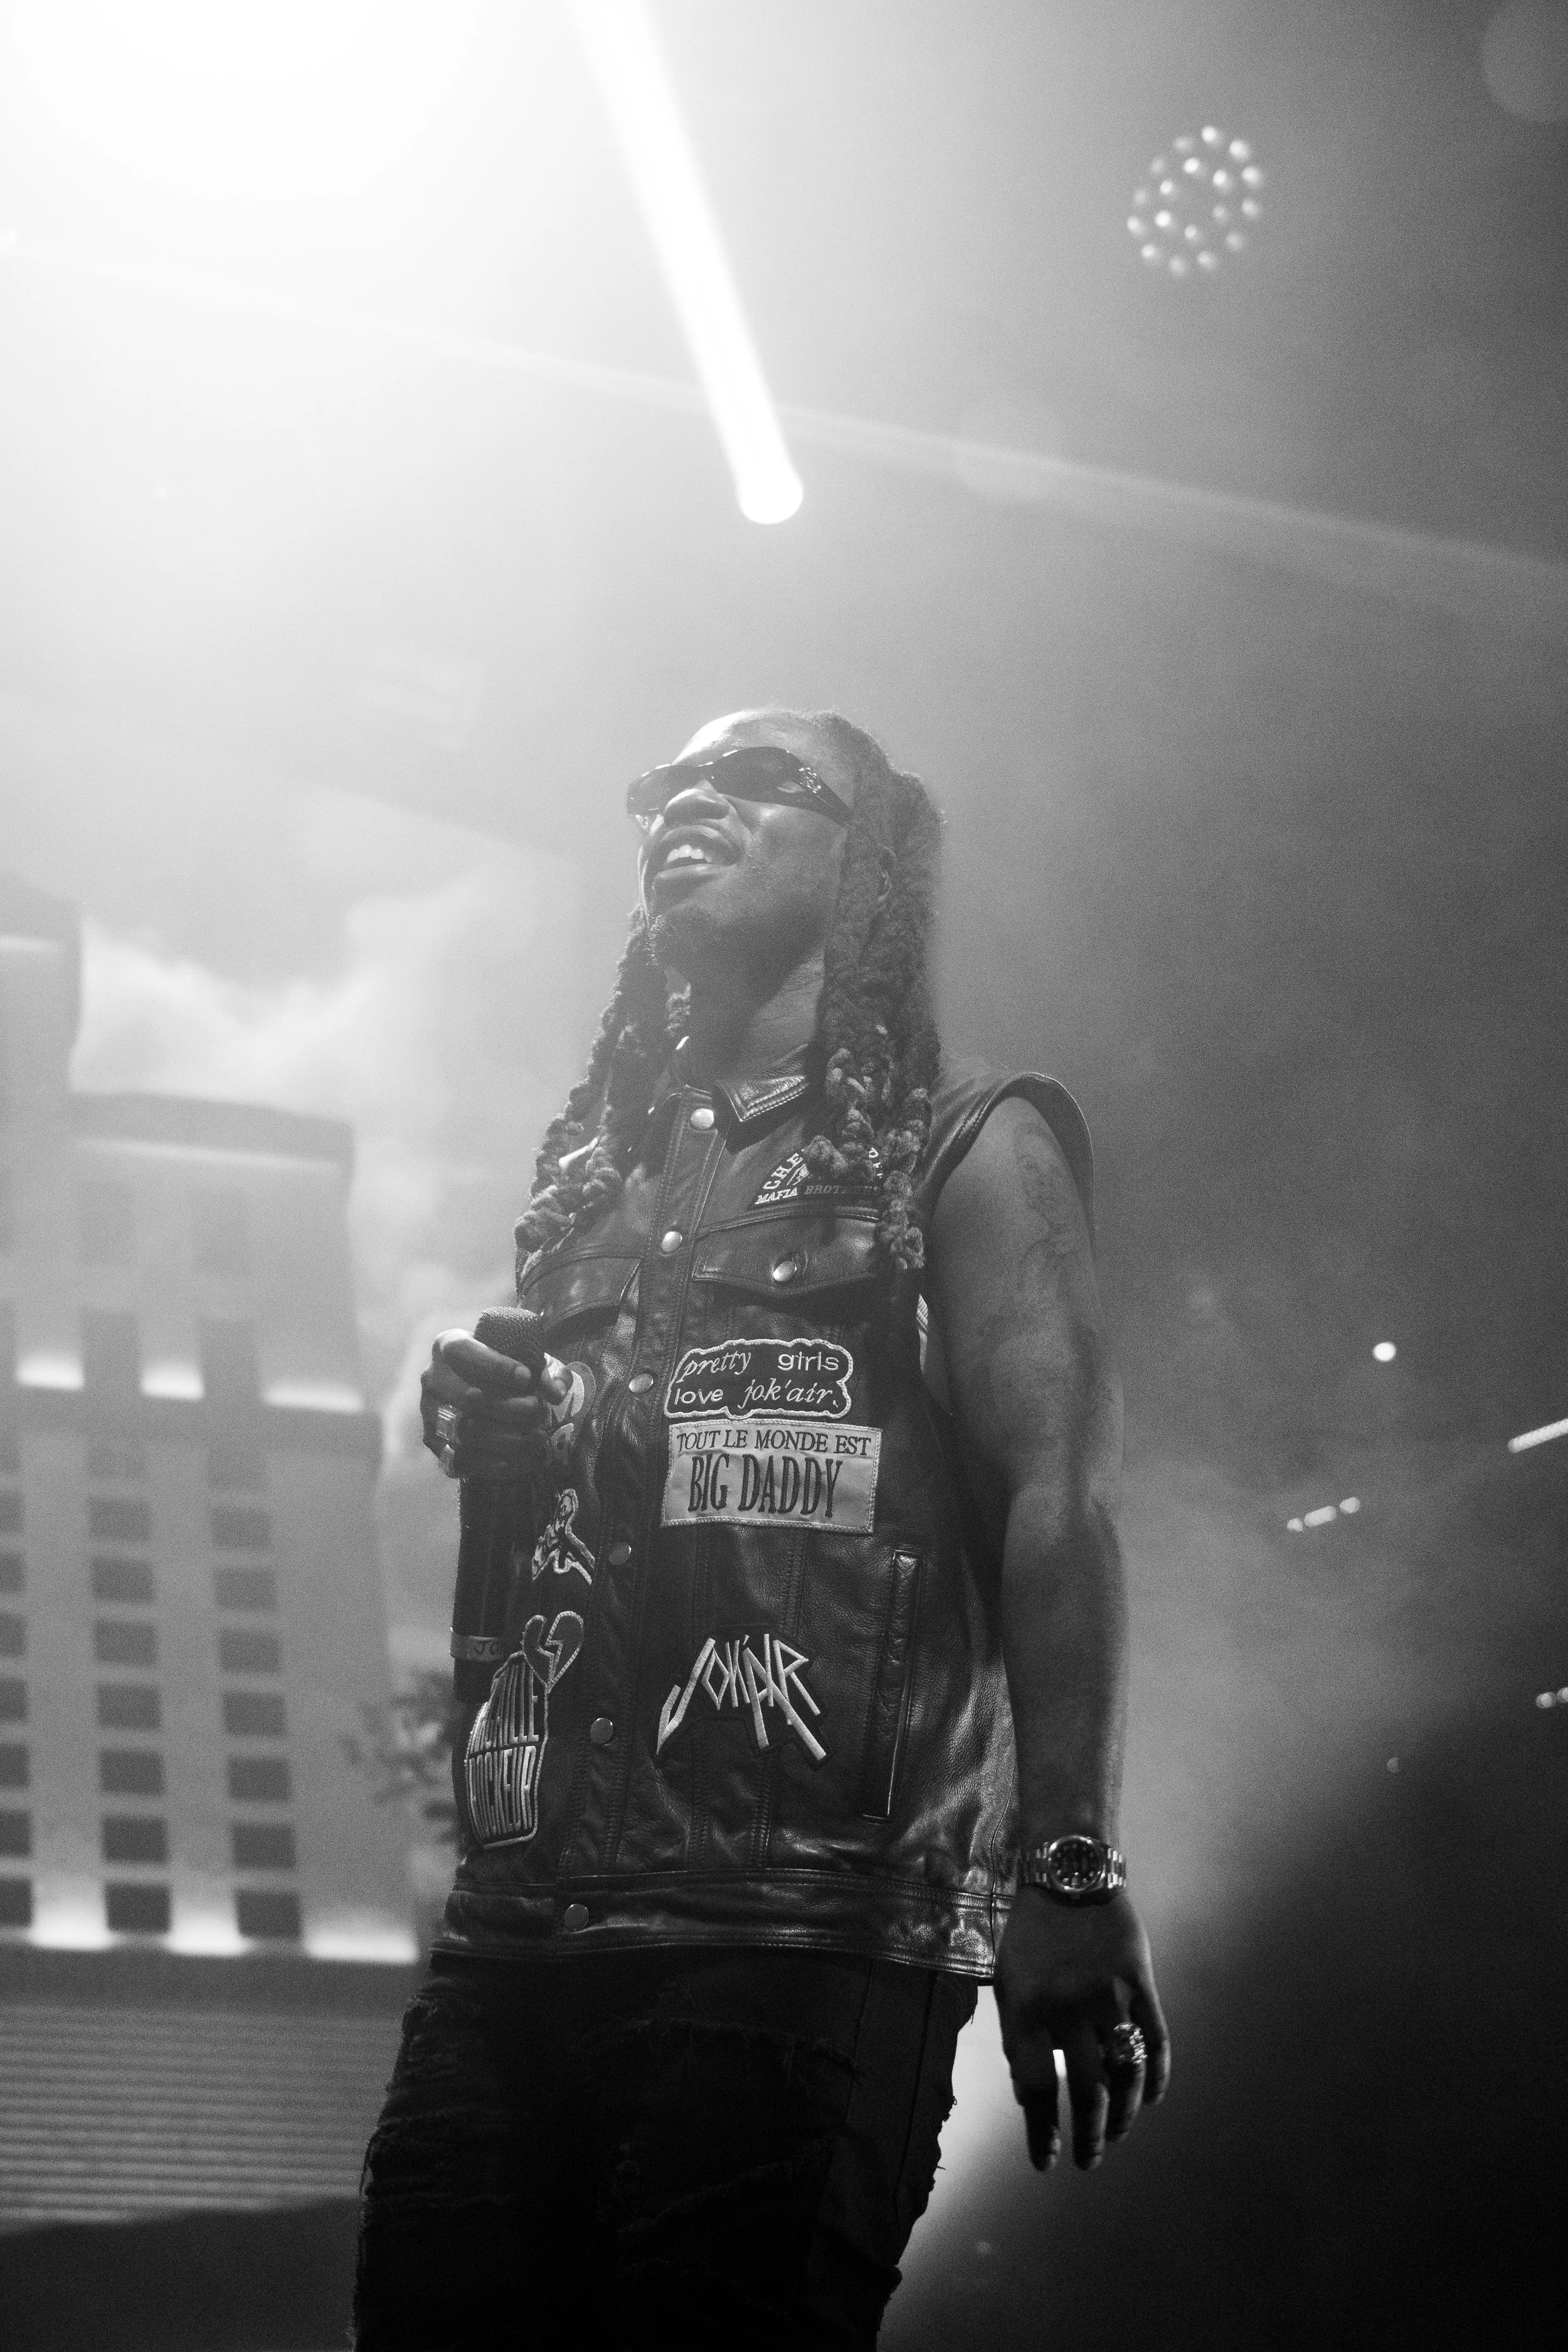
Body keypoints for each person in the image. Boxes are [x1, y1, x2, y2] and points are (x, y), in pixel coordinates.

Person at [354, 709, 1169, 2350]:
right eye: (669, 787)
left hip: (807, 1925)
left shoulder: (965, 1141)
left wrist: (1065, 1863)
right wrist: (487, 1404)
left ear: (860, 858)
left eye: (753, 783)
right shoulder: (589, 1175)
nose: (688, 809)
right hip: (528, 1920)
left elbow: (1055, 1497)